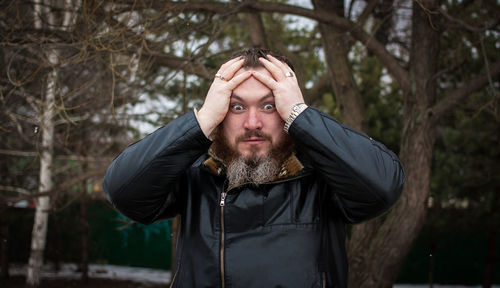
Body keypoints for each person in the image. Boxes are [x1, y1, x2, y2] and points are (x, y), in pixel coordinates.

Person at [103, 48, 405, 288]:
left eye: (269, 105)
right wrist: (201, 121)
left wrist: (304, 118)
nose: (252, 123)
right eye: (236, 107)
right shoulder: (197, 173)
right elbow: (123, 190)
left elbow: (383, 187)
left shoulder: (322, 177)